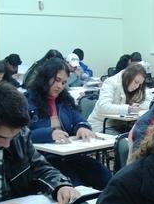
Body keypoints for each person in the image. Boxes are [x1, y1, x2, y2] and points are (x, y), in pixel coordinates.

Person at [25, 58, 112, 190]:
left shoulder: (65, 100)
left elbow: (79, 118)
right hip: (44, 159)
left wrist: (82, 127)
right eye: (56, 80)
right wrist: (49, 134)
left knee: (104, 175)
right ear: (45, 78)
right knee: (74, 183)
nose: (60, 86)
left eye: (64, 82)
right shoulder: (27, 101)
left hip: (71, 155)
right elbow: (22, 135)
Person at [87, 63, 152, 133]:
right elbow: (103, 106)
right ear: (128, 76)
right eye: (136, 82)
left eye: (140, 84)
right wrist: (128, 108)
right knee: (124, 141)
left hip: (120, 125)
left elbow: (149, 102)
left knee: (142, 135)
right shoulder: (110, 82)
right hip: (101, 125)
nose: (137, 86)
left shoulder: (136, 87)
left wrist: (138, 106)